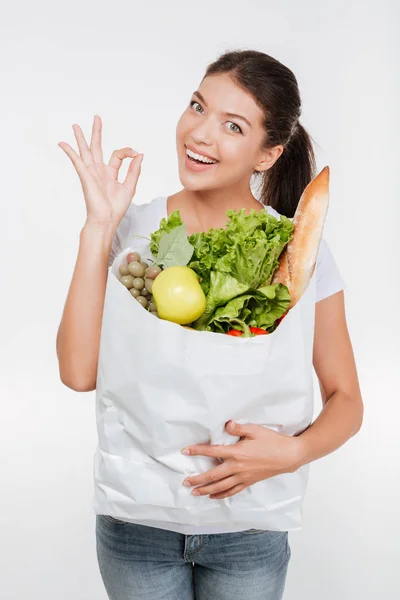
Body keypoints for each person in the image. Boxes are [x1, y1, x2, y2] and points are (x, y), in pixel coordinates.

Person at [56, 50, 364, 600]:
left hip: (249, 527)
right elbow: (79, 372)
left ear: (268, 154)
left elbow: (346, 399)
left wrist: (293, 452)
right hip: (138, 522)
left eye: (232, 125)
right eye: (197, 106)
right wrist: (98, 226)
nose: (200, 133)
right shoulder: (131, 229)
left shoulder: (299, 252)